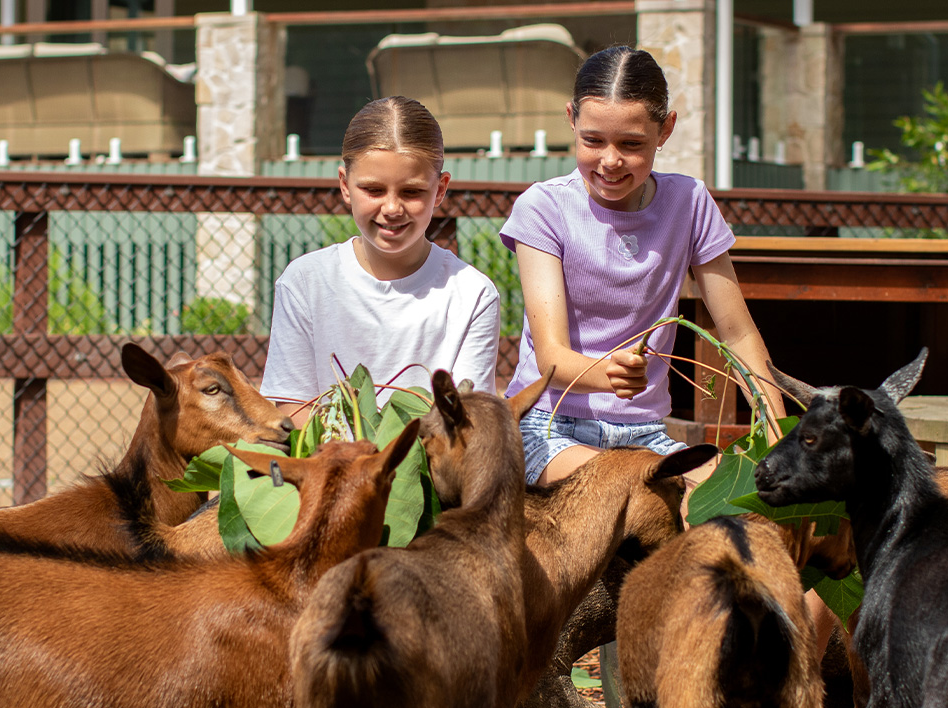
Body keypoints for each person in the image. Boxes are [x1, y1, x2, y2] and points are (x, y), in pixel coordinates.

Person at [500, 45, 786, 487]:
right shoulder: (544, 207)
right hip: (548, 426)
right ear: (572, 119)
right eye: (592, 140)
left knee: (728, 496)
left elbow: (739, 334)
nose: (610, 160)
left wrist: (775, 428)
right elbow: (550, 358)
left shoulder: (689, 202)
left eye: (631, 144)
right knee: (635, 489)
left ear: (665, 129)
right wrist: (606, 373)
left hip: (646, 436)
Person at [261, 96, 501, 424]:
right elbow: (295, 413)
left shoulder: (472, 294)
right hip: (329, 466)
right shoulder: (305, 281)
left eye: (412, 192)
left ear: (440, 189)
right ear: (345, 185)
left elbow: (464, 422)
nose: (391, 208)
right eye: (373, 190)